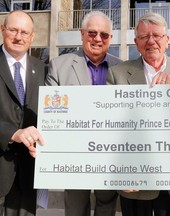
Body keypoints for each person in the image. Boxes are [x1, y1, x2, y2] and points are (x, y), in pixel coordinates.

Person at [106, 12, 170, 216]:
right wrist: (120, 171)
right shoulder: (118, 74)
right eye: (143, 37)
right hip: (135, 184)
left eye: (157, 35)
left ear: (167, 40)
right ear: (136, 43)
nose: (151, 41)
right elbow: (110, 129)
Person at [45, 11, 122, 216]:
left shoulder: (122, 68)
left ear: (110, 39)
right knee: (76, 208)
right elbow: (51, 115)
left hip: (109, 154)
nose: (98, 39)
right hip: (75, 155)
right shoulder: (59, 66)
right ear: (82, 33)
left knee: (107, 206)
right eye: (92, 33)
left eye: (104, 35)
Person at [0, 10, 46, 216]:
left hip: (30, 171)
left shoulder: (43, 69)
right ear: (2, 30)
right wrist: (12, 133)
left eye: (25, 32)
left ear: (32, 36)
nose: (19, 37)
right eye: (13, 30)